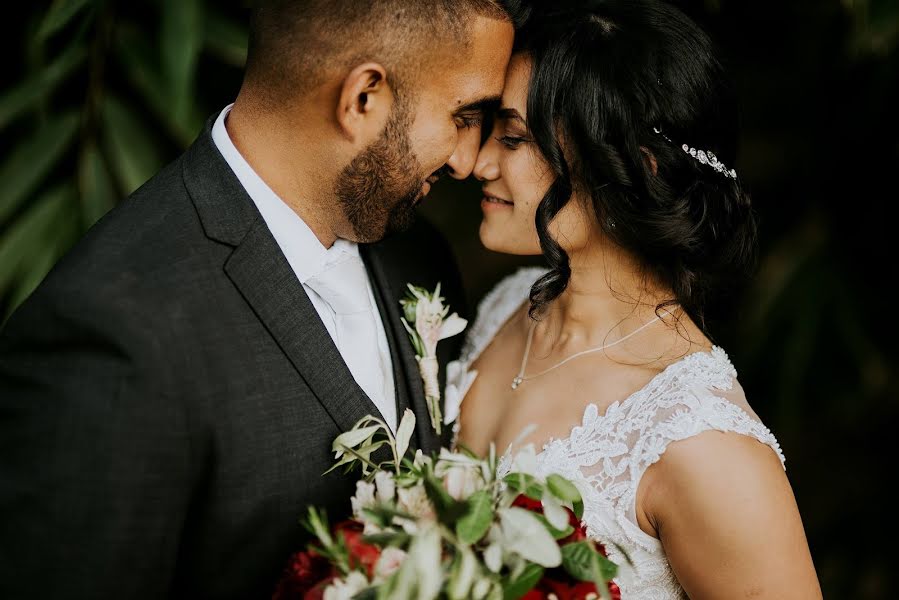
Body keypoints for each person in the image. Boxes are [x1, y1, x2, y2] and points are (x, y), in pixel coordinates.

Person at [0, 2, 518, 598]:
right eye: (463, 115)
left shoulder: (417, 255)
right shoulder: (112, 333)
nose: (467, 159)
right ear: (363, 99)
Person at [449, 0, 823, 597]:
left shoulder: (703, 444)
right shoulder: (508, 307)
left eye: (515, 138)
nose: (477, 162)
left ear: (632, 168)